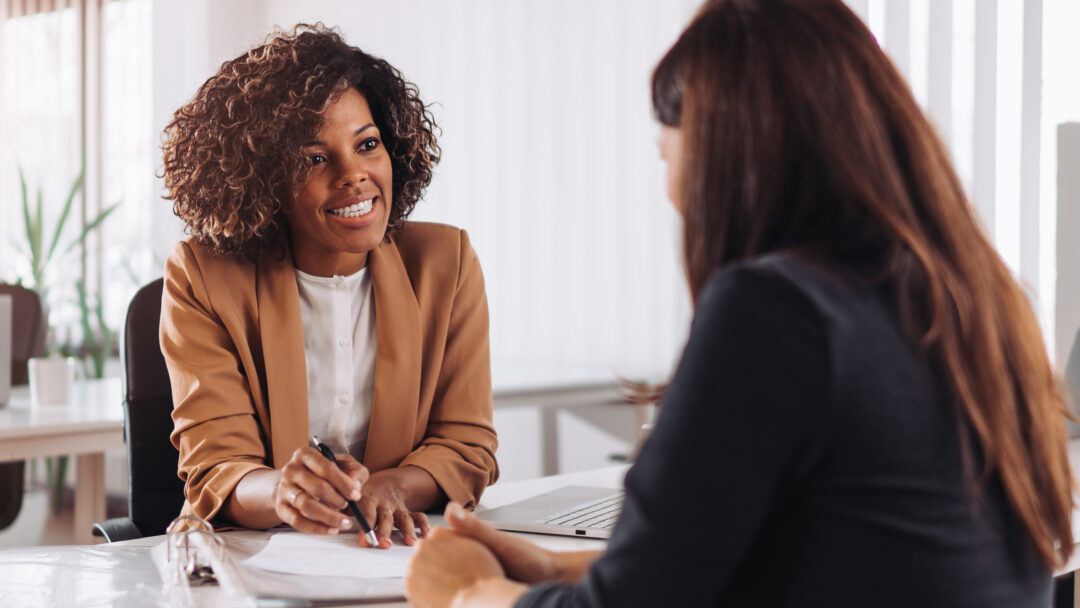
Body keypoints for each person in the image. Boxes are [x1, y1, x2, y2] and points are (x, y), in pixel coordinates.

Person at [404, 0, 1075, 605]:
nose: (669, 191)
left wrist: (468, 593)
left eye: (667, 156)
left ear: (725, 158)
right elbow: (827, 560)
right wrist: (553, 570)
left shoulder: (777, 312)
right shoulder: (978, 302)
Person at [159, 24, 498, 548]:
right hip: (251, 564)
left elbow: (466, 445)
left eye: (367, 144)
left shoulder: (444, 264)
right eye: (315, 158)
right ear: (264, 178)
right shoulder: (202, 276)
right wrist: (281, 492)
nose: (354, 174)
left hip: (394, 556)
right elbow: (217, 467)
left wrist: (392, 487)